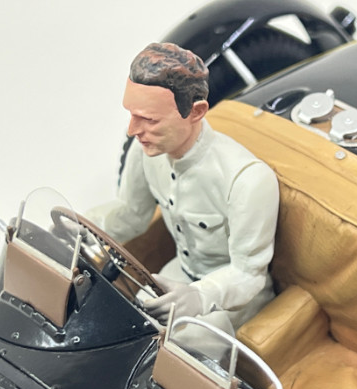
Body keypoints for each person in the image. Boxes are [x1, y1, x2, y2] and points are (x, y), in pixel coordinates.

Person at [87, 42, 279, 333]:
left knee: (177, 348)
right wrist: (85, 228)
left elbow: (248, 273)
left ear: (196, 111)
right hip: (176, 277)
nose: (132, 130)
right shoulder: (144, 151)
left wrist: (200, 296)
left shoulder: (246, 180)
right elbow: (131, 214)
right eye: (132, 114)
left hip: (233, 302)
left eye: (149, 119)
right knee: (130, 329)